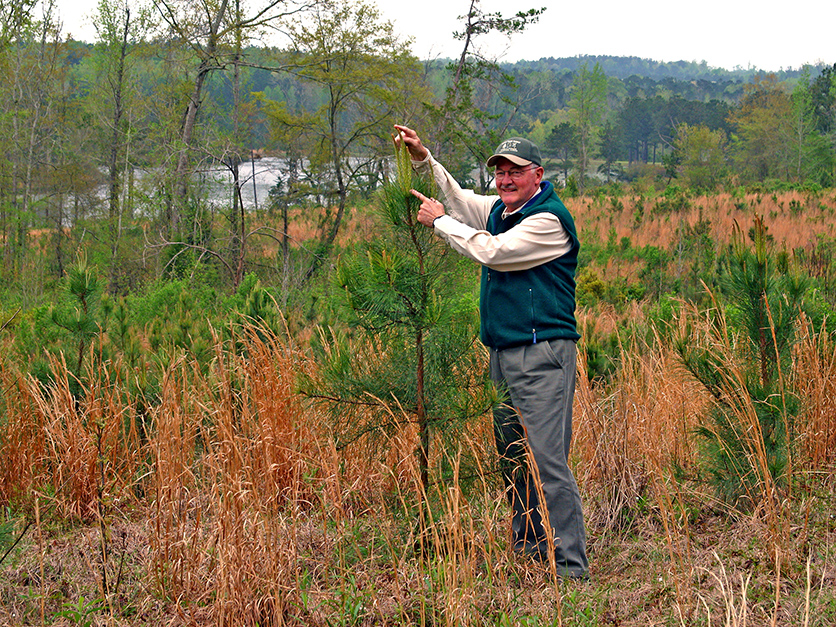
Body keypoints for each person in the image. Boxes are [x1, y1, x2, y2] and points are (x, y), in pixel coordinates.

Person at [393, 124, 589, 578]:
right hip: (502, 355)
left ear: (537, 175)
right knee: (511, 455)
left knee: (548, 460)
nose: (505, 180)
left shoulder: (548, 221)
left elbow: (494, 253)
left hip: (543, 355)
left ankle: (571, 565)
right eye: (499, 172)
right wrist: (424, 158)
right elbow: (462, 199)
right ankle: (529, 545)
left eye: (515, 172)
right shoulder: (504, 209)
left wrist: (440, 222)